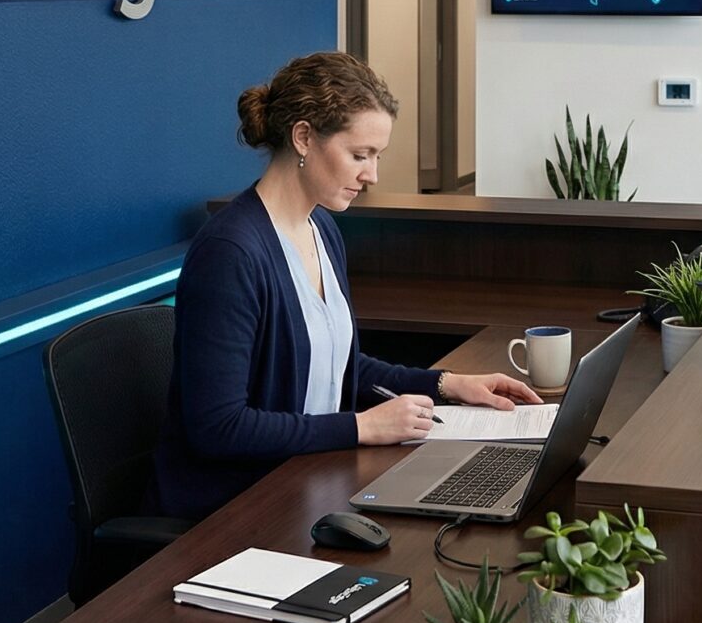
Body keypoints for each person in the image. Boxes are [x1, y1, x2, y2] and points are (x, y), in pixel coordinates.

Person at [150, 52, 540, 519]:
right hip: (236, 508)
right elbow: (219, 428)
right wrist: (361, 427)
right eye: (360, 155)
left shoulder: (321, 228)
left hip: (306, 478)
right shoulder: (231, 253)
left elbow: (341, 365)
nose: (371, 175)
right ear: (303, 137)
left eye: (376, 157)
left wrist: (448, 384)